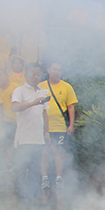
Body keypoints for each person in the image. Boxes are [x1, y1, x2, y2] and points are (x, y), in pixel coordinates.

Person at [11, 63, 50, 203]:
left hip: (38, 139)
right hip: (24, 138)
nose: (35, 77)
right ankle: (21, 197)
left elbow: (45, 113)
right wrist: (33, 103)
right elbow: (14, 107)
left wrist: (47, 132)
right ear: (25, 74)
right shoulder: (19, 90)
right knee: (21, 170)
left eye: (38, 74)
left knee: (35, 170)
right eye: (32, 73)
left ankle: (32, 197)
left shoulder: (42, 91)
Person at [38, 62, 77, 190]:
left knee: (58, 152)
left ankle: (58, 178)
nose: (57, 72)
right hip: (44, 127)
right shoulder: (40, 87)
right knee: (44, 152)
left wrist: (71, 124)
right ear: (49, 70)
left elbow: (71, 106)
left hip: (60, 126)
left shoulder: (66, 87)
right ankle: (44, 178)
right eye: (54, 69)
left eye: (59, 70)